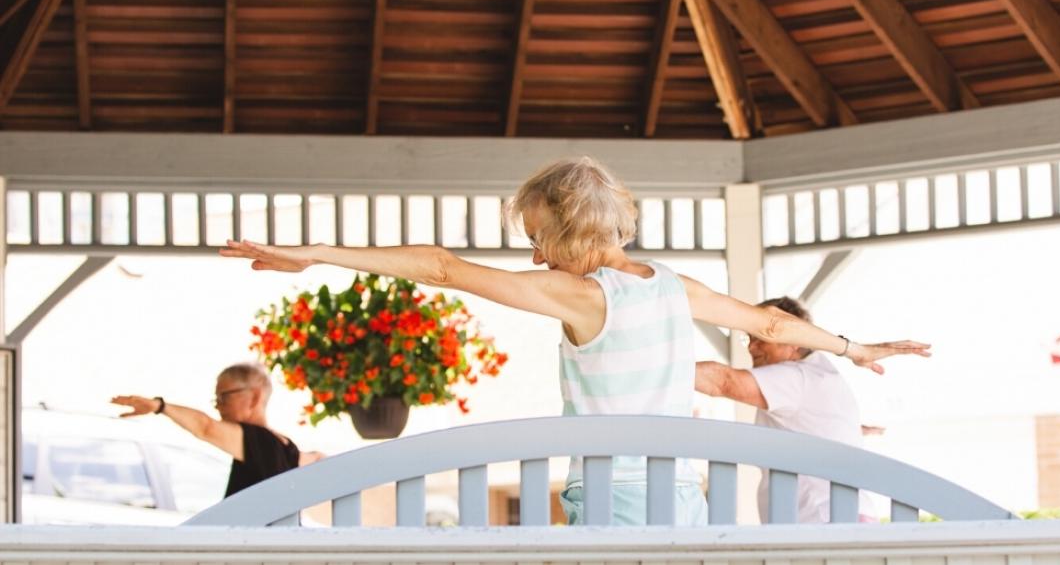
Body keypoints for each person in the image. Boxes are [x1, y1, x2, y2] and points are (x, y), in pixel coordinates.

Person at [220, 156, 928, 525]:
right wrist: (853, 347)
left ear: (565, 231)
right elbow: (772, 326)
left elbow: (441, 267)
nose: (533, 257)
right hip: (683, 488)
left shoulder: (579, 294)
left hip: (615, 491)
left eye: (537, 238)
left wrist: (317, 252)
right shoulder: (674, 285)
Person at [695, 296, 876, 523]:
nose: (751, 346)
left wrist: (658, 368)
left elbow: (724, 382)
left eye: (760, 337)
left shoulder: (796, 377)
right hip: (837, 520)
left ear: (795, 340)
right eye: (748, 337)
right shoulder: (818, 375)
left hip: (824, 524)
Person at [112, 362, 324, 498]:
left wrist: (160, 407)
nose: (218, 405)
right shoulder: (285, 446)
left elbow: (206, 427)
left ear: (256, 396)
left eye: (225, 396)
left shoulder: (258, 440)